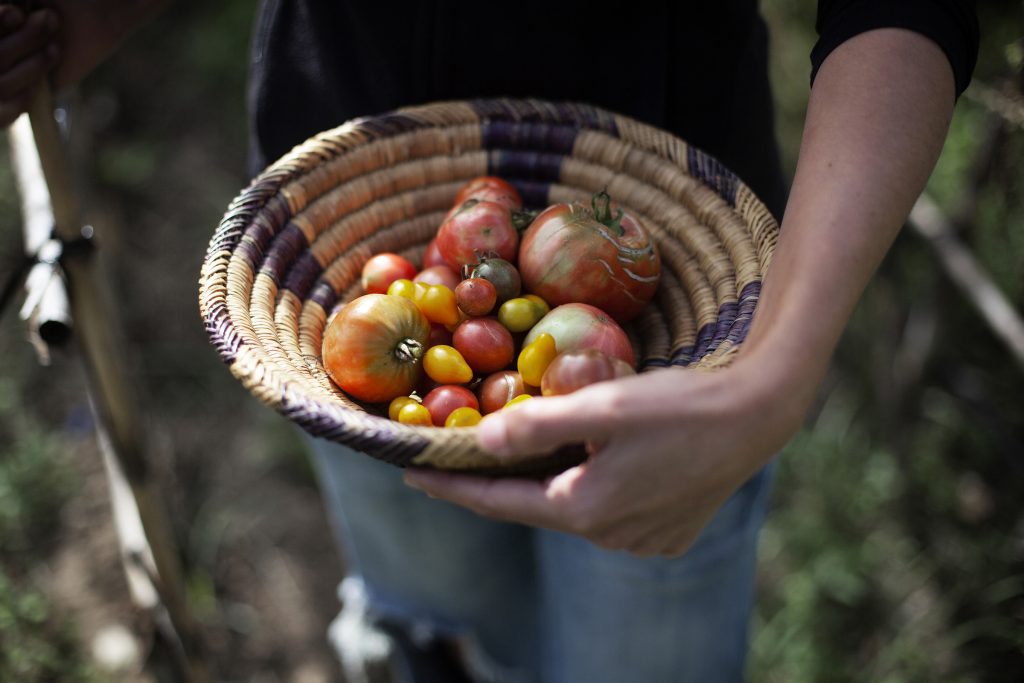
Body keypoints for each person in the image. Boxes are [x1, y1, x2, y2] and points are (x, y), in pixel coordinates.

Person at [1, 2, 979, 681]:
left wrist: (778, 374)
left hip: (683, 313)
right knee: (440, 619)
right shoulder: (392, 317)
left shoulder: (545, 302)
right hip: (337, 221)